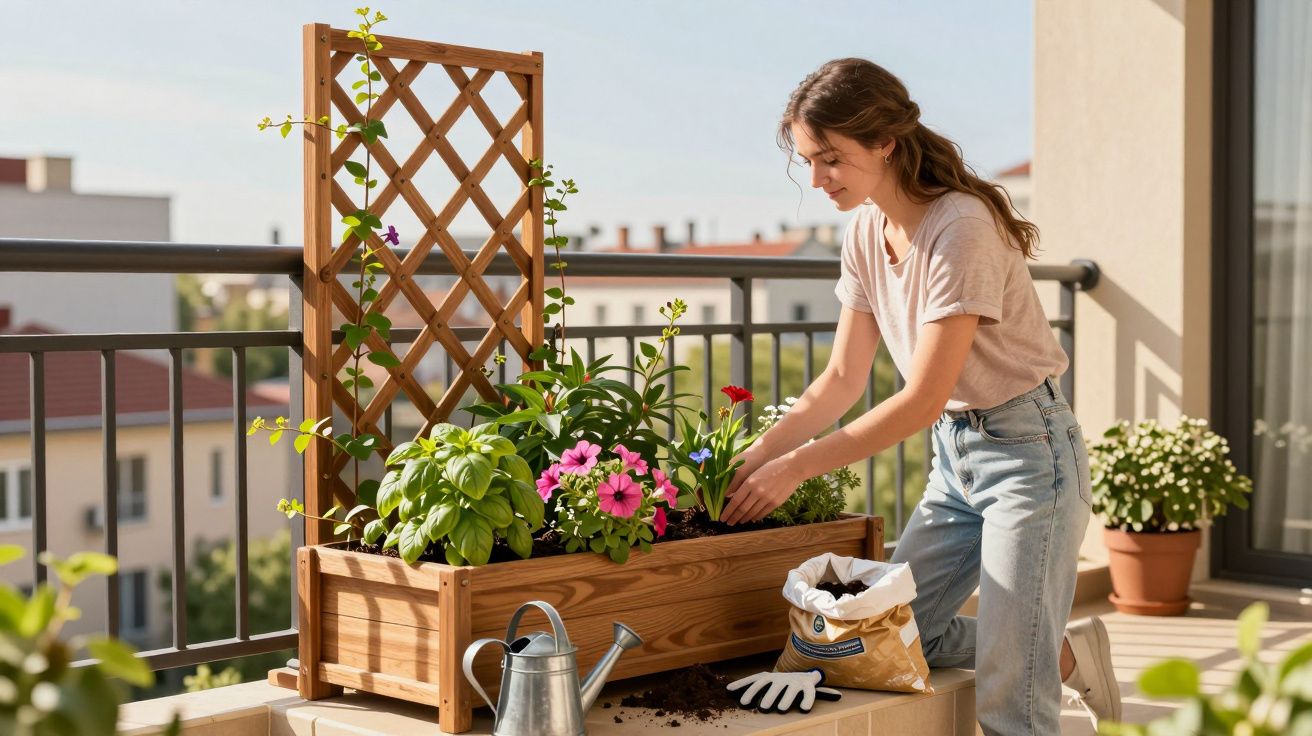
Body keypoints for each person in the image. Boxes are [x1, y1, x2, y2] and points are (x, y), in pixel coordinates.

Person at [720, 58, 1121, 734]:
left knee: (1009, 704)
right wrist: (758, 458)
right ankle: (1052, 652)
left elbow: (921, 399)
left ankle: (1020, 654)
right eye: (809, 161)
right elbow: (841, 380)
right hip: (956, 462)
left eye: (830, 159)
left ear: (886, 143)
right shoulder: (866, 234)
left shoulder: (959, 227)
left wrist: (795, 470)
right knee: (891, 638)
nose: (816, 179)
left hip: (1030, 458)